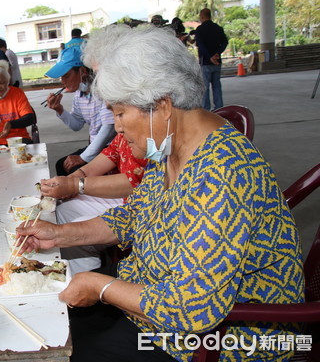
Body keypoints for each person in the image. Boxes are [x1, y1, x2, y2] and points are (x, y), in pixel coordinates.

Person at [16, 25, 303, 362]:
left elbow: (191, 308)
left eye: (121, 113)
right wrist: (59, 234)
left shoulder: (222, 174)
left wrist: (100, 287)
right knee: (48, 318)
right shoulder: (168, 147)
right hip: (153, 290)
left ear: (163, 106)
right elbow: (133, 215)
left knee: (67, 348)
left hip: (224, 336)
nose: (118, 127)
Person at [40, 132, 148, 273]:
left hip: (140, 203)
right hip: (125, 198)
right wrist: (73, 179)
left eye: (120, 114)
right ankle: (76, 274)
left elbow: (138, 182)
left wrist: (75, 185)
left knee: (73, 230)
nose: (117, 126)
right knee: (62, 210)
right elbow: (113, 151)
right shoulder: (128, 128)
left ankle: (86, 279)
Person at [45, 46, 116, 176]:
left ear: (82, 70)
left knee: (73, 172)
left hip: (111, 147)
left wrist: (84, 157)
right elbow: (77, 125)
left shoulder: (102, 90)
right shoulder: (80, 94)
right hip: (95, 146)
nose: (63, 81)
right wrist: (59, 110)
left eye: (66, 76)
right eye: (61, 77)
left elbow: (109, 129)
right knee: (61, 165)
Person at [195, 8, 228, 110]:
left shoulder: (200, 30)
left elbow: (200, 45)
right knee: (217, 86)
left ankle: (206, 109)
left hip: (205, 62)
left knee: (205, 88)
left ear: (202, 17)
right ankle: (219, 108)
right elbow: (225, 42)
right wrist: (217, 53)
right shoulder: (218, 28)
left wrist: (210, 57)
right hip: (217, 62)